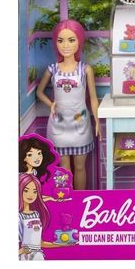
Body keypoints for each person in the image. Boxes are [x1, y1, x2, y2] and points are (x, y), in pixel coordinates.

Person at [37, 20, 102, 190]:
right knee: (63, 169)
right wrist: (50, 104)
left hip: (80, 123)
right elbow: (39, 92)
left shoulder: (85, 69)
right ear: (56, 42)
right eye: (61, 40)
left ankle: (79, 199)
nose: (65, 45)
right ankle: (66, 199)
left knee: (80, 167)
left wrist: (97, 121)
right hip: (58, 124)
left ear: (79, 41)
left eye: (71, 40)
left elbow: (93, 98)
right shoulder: (52, 69)